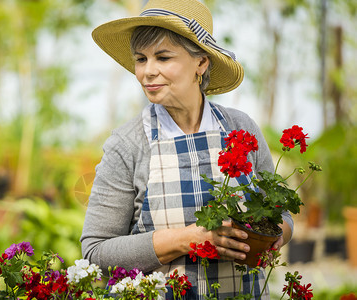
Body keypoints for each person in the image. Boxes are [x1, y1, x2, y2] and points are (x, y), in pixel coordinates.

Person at [80, 0, 293, 299]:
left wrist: (273, 237)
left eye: (163, 57)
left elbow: (282, 216)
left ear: (201, 63)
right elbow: (95, 252)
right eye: (141, 59)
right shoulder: (127, 144)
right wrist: (188, 239)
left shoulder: (241, 128)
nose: (147, 73)